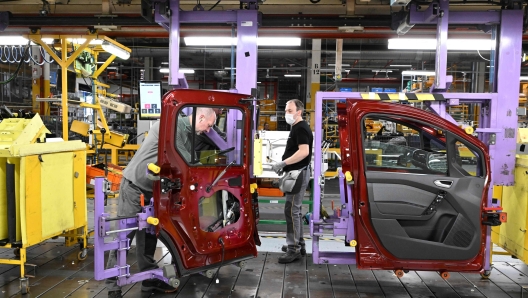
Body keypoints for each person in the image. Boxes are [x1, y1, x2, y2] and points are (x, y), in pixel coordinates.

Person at [106, 107, 216, 298]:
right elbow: (183, 160)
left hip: (153, 189)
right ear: (201, 117)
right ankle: (112, 283)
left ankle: (149, 281)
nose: (209, 130)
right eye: (209, 125)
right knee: (125, 235)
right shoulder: (172, 127)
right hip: (135, 185)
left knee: (149, 235)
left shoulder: (188, 131)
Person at [271, 99, 313, 264]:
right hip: (295, 172)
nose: (286, 113)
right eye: (286, 110)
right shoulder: (296, 127)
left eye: (289, 110)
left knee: (291, 211)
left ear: (299, 112)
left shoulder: (301, 128)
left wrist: (284, 163)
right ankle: (298, 243)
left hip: (299, 173)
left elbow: (304, 152)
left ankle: (293, 248)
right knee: (293, 210)